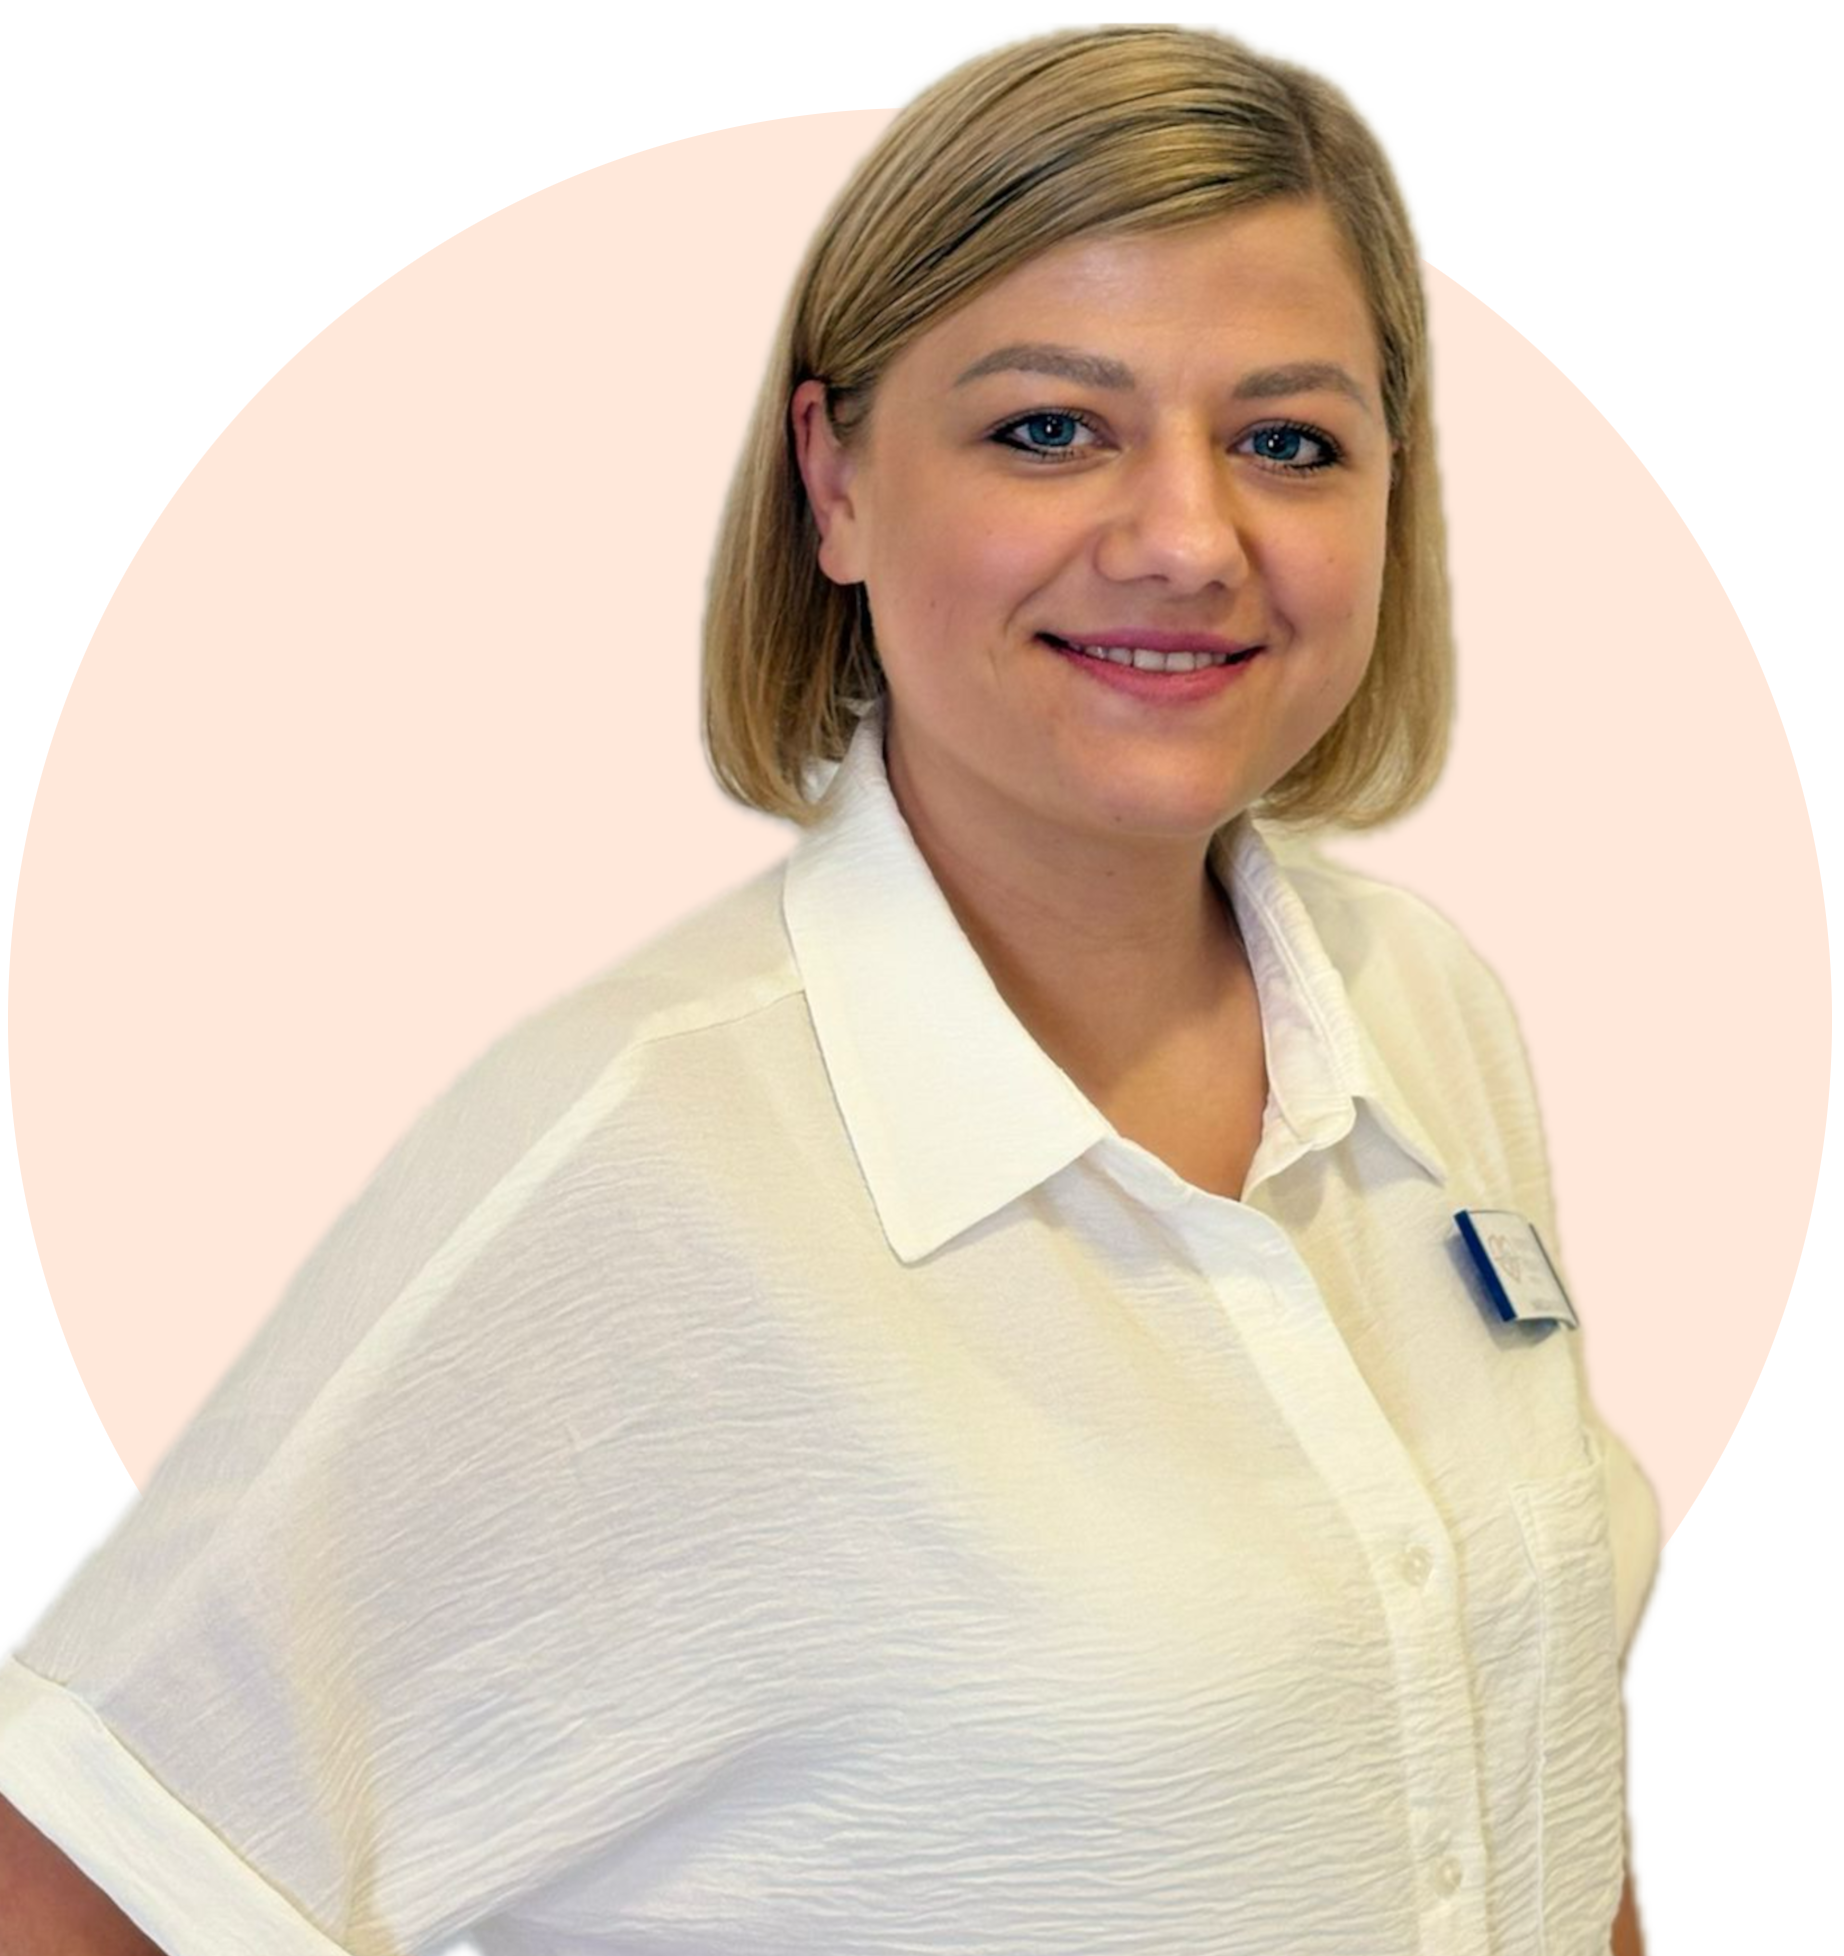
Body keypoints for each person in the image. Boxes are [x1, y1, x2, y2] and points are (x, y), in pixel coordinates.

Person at [0, 21, 1663, 1955]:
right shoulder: (636, 1162)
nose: (1187, 540)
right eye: (1050, 429)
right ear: (836, 482)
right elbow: (76, 1867)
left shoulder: (1424, 1004)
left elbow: (1534, 1761)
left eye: (1287, 441)